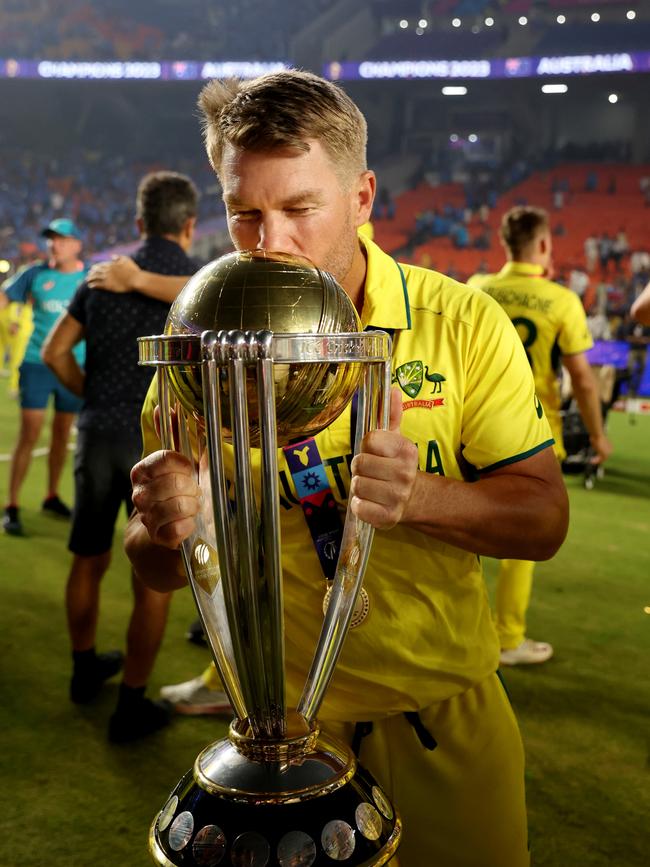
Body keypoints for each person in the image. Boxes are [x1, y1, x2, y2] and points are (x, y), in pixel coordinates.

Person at [123, 71, 569, 865]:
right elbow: (155, 568)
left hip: (446, 719)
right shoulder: (202, 350)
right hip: (279, 738)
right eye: (245, 213)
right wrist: (165, 524)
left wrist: (424, 496)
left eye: (299, 208)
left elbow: (543, 520)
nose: (270, 243)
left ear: (362, 197)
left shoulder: (460, 321)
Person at [41, 172, 201, 743]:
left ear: (137, 224)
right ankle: (130, 703)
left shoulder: (103, 278)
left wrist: (89, 392)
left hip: (98, 432)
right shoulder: (199, 283)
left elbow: (53, 350)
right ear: (188, 225)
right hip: (159, 440)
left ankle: (84, 669)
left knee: (87, 557)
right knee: (151, 580)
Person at [468, 206, 612, 666]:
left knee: (457, 529)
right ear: (545, 245)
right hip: (535, 432)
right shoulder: (562, 300)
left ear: (505, 244)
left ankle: (459, 633)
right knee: (519, 541)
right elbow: (584, 381)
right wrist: (597, 435)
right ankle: (508, 638)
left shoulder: (476, 288)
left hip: (469, 426)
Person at [1, 218, 87, 536]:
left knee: (62, 435)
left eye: (62, 239)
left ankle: (51, 495)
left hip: (74, 367)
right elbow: (4, 298)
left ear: (77, 244)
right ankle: (11, 504)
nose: (55, 244)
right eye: (51, 239)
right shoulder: (34, 274)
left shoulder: (89, 277)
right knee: (30, 433)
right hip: (37, 365)